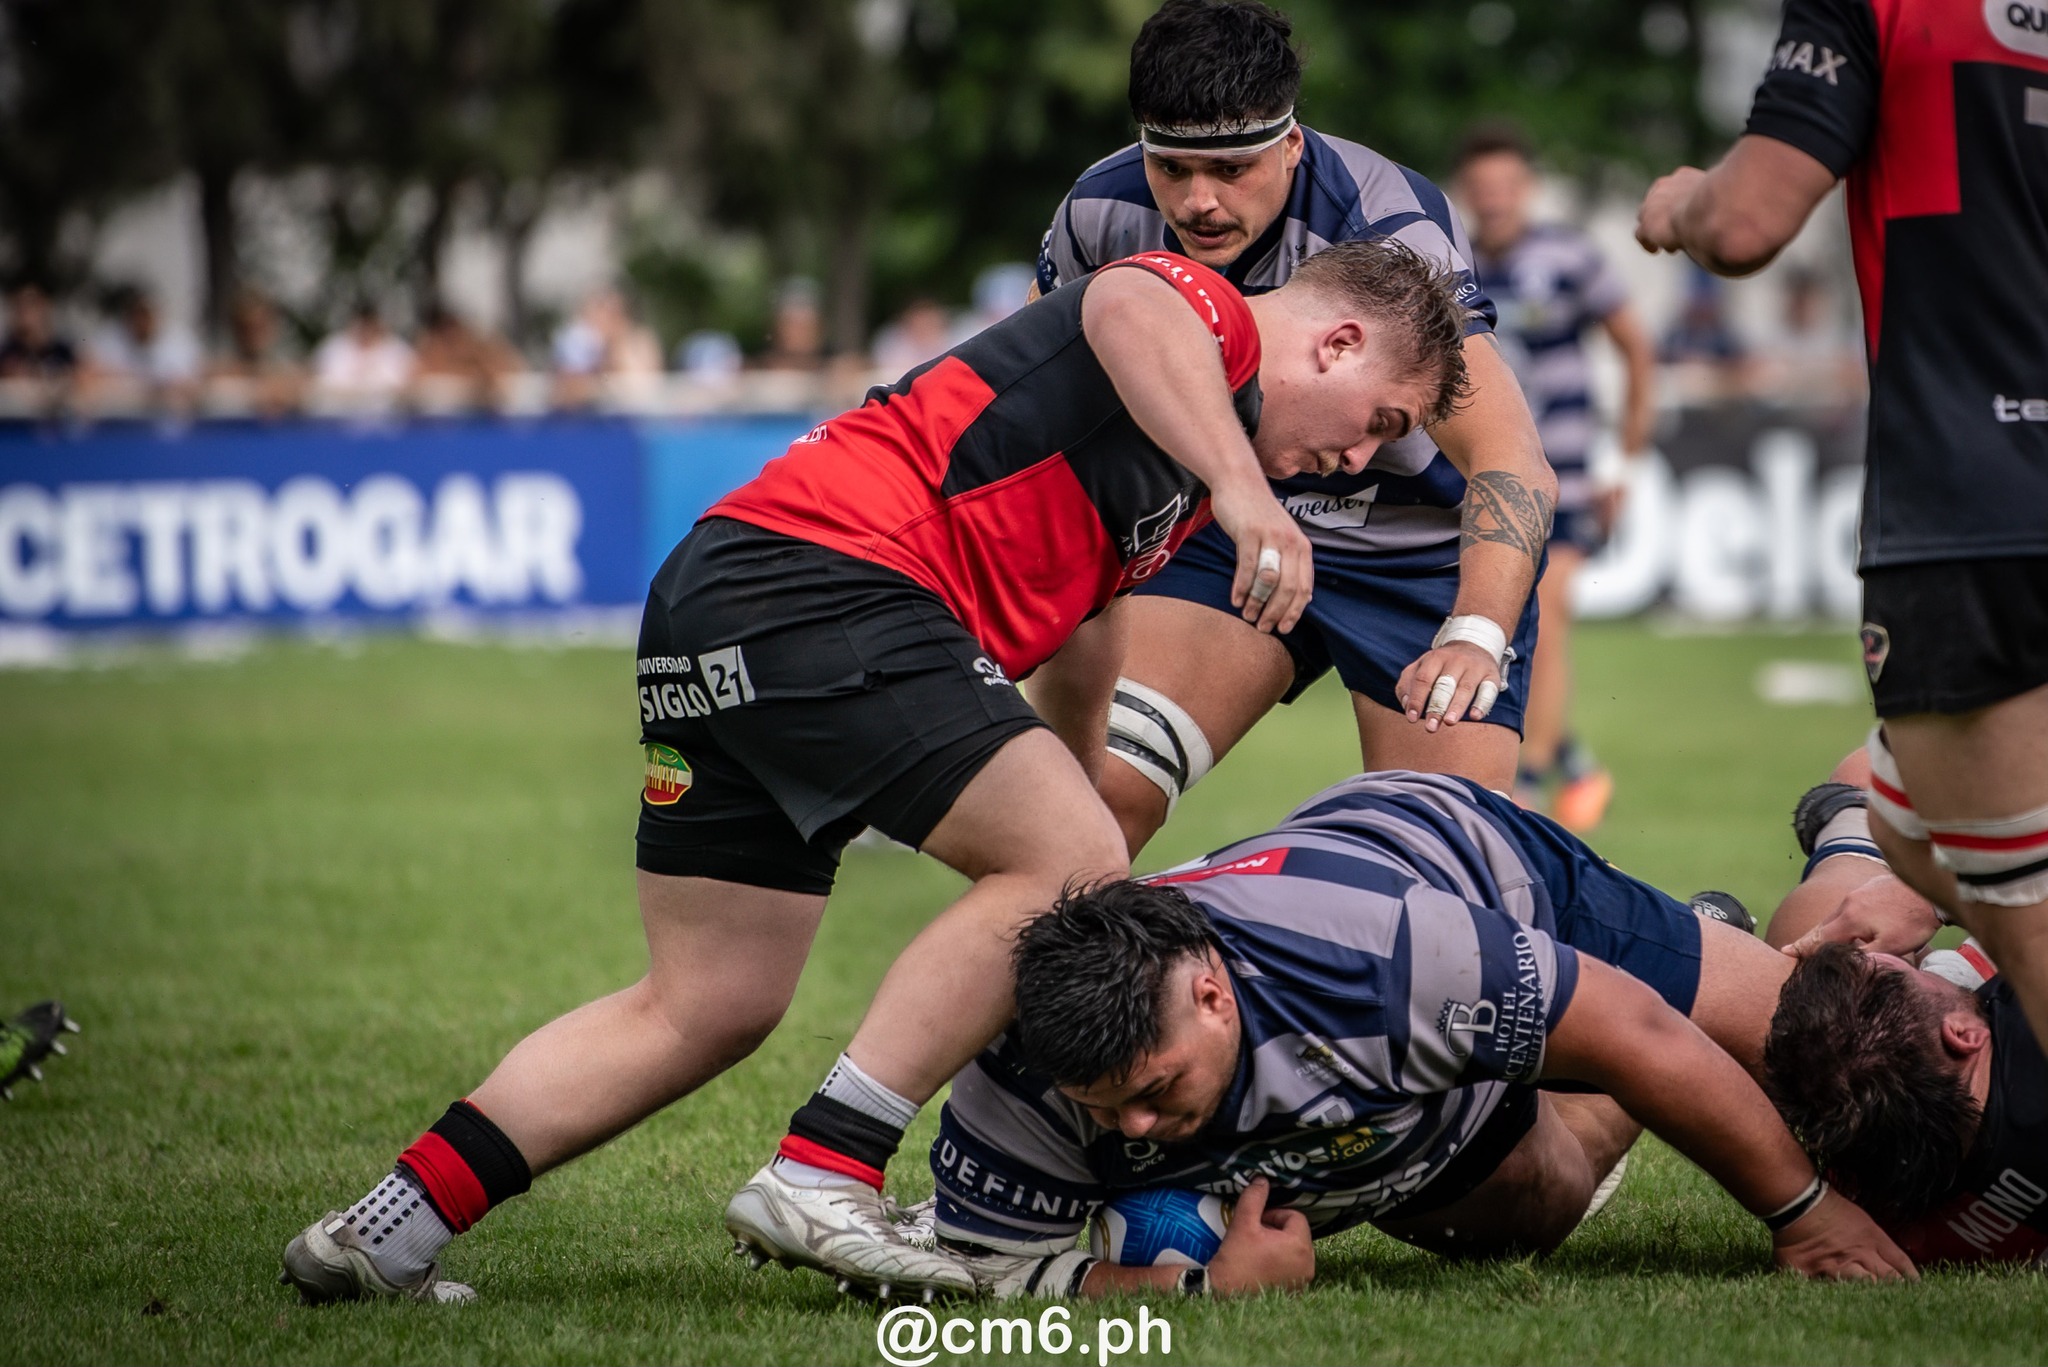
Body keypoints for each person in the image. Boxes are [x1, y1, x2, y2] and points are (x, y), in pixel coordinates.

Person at [279, 239, 1471, 1305]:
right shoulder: (1199, 312)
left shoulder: (1171, 469)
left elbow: (1085, 624)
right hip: (822, 585)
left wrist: (1088, 794)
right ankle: (824, 1167)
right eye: (1379, 418)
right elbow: (1124, 304)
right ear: (1337, 338)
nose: (1357, 453)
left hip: (719, 606)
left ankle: (386, 1228)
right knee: (1059, 860)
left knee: (706, 1001)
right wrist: (1243, 487)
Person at [913, 771, 1913, 1298]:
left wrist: (1807, 1215)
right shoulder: (1014, 1073)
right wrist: (1192, 1289)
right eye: (1108, 1110)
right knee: (1534, 1207)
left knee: (1819, 1039)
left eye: (1156, 1087)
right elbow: (994, 1269)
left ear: (1213, 994)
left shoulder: (1380, 955)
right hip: (1385, 1057)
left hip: (1478, 868)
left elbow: (1633, 1031)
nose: (1137, 1124)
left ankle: (1852, 834)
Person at [1034, 0, 1556, 857]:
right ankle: (1075, 992)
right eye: (1170, 166)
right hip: (1232, 527)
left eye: (1232, 168)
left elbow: (1513, 460)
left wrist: (1474, 633)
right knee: (1096, 794)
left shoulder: (1390, 233)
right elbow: (1033, 399)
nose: (1199, 201)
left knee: (1446, 865)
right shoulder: (1099, 211)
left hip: (1413, 546)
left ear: (1290, 144)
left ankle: (1639, 917)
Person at [1635, 0, 2048, 1055]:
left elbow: (1743, 221)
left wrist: (1684, 201)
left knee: (1966, 879)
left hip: (1976, 506)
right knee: (1890, 833)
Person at [1451, 123, 1658, 831]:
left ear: (1526, 189)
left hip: (1565, 475)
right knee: (1507, 624)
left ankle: (1530, 783)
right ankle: (1573, 763)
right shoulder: (1454, 264)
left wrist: (1625, 461)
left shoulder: (1569, 255)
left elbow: (1636, 348)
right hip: (1483, 481)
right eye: (1483, 190)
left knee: (1547, 613)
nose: (1496, 201)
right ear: (1468, 195)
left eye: (1506, 187)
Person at [311, 302, 416, 411]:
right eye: (362, 325)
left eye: (369, 325)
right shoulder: (333, 349)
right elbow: (315, 382)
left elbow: (410, 388)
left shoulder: (397, 351)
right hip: (337, 414)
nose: (366, 330)